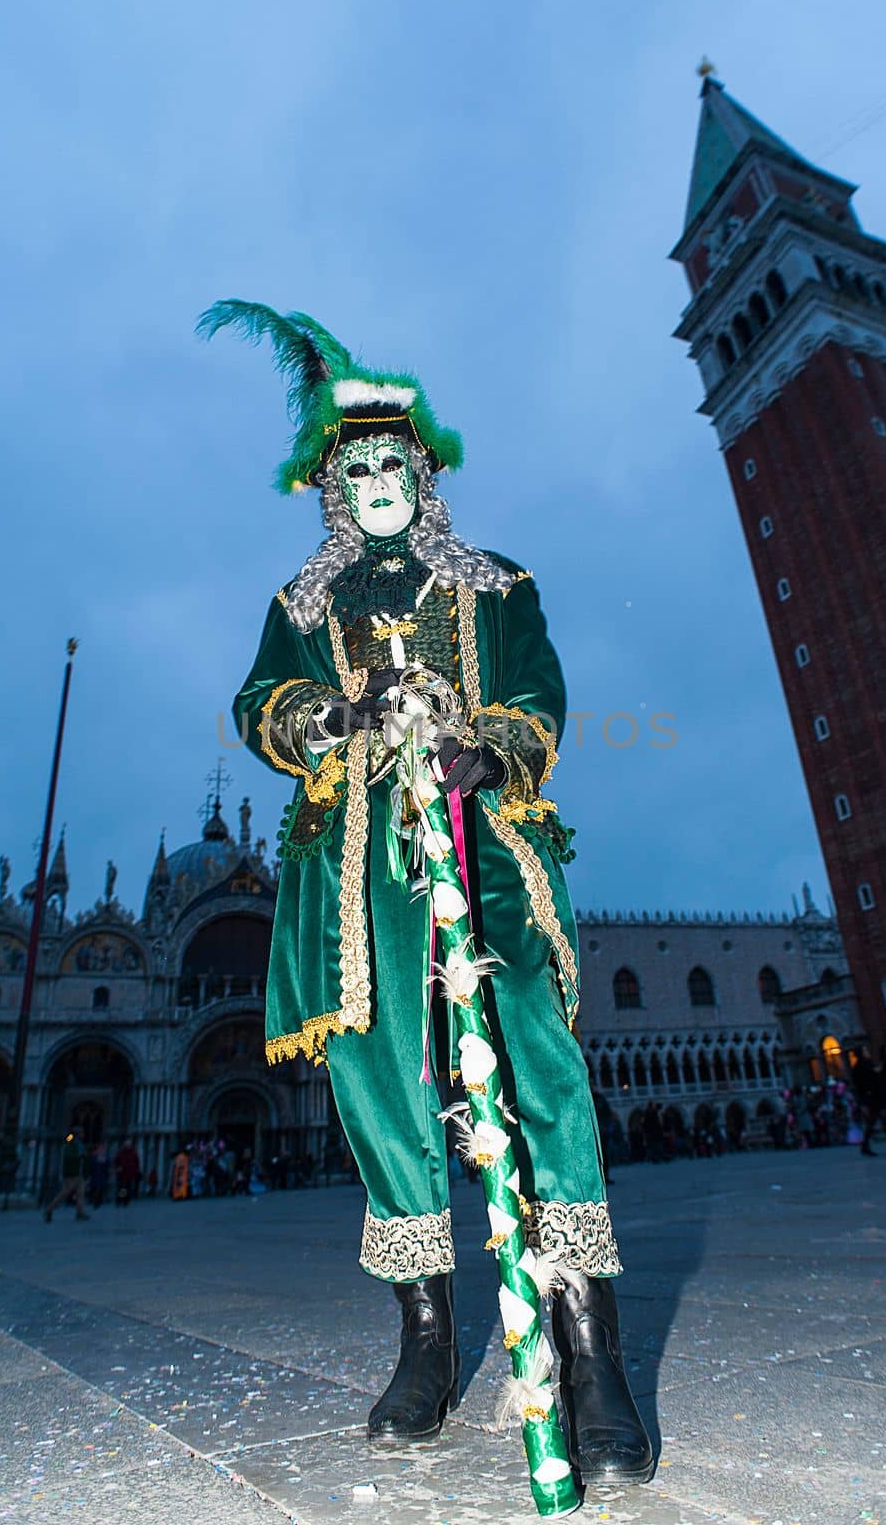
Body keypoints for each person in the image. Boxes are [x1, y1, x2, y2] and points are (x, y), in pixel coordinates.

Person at [216, 301, 652, 1486]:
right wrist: (329, 717)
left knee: (541, 1068)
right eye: (352, 470)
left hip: (484, 842)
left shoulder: (497, 583)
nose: (375, 483)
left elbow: (538, 695)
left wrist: (489, 747)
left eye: (392, 463)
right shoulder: (302, 605)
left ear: (425, 471)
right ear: (330, 490)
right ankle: (427, 1337)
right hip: (355, 863)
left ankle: (587, 1346)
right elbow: (261, 702)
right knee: (378, 1077)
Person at [43, 1127, 90, 1221]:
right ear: (78, 1133)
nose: (83, 1134)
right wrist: (71, 1135)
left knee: (81, 1193)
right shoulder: (70, 1141)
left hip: (80, 1173)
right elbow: (67, 1149)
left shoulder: (80, 1143)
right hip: (71, 1173)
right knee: (65, 1193)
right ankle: (49, 1209)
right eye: (81, 1133)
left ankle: (80, 1212)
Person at [850, 1045, 883, 1156]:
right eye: (865, 1051)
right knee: (872, 1122)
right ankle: (865, 1145)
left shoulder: (866, 1065)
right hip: (870, 1098)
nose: (867, 1052)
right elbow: (861, 1086)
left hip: (875, 1097)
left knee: (876, 1121)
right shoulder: (860, 1067)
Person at [115, 1138, 141, 1206]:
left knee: (127, 1188)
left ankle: (125, 1200)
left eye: (128, 1144)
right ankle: (120, 1199)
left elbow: (137, 1163)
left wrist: (136, 1171)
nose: (127, 1145)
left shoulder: (134, 1153)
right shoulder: (121, 1153)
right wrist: (117, 1168)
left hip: (130, 1173)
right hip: (122, 1173)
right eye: (126, 1144)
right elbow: (116, 1161)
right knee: (122, 1188)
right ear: (124, 1145)